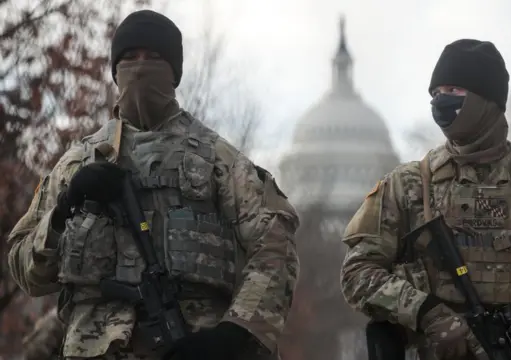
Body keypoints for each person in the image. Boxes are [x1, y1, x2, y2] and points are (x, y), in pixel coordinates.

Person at [7, 9, 299, 360]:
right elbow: (27, 270)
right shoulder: (76, 163)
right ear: (115, 70)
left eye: (154, 58)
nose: (141, 68)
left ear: (174, 72)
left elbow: (275, 249)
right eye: (130, 58)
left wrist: (233, 334)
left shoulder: (219, 161)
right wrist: (65, 205)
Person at [339, 39, 511, 360]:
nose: (441, 100)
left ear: (487, 100)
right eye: (435, 93)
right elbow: (357, 273)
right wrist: (427, 313)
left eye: (453, 90)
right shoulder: (407, 186)